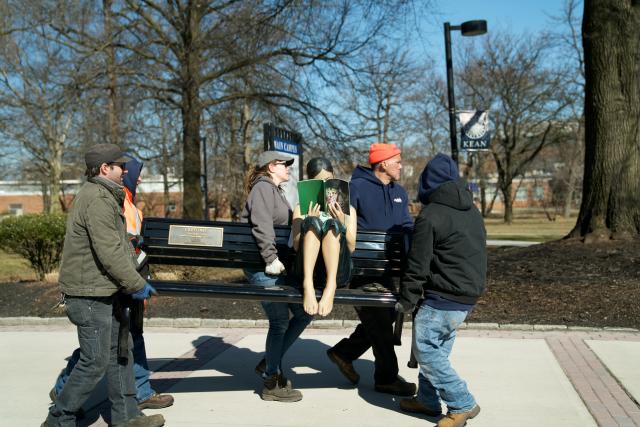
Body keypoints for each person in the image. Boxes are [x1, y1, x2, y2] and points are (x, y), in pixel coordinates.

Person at [42, 144, 164, 427]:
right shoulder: (97, 198)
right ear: (104, 169)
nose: (126, 171)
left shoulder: (106, 196)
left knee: (120, 354)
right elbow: (108, 251)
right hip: (89, 294)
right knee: (94, 361)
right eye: (120, 166)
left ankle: (127, 416)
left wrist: (131, 280)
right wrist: (135, 283)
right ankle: (58, 419)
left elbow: (119, 247)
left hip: (105, 291)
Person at [396, 153, 486, 427]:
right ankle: (427, 399)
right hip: (466, 297)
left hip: (442, 298)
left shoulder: (430, 216)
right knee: (438, 351)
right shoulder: (472, 211)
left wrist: (407, 300)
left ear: (428, 182)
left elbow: (418, 264)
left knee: (426, 350)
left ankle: (462, 403)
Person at [326, 143, 416, 396]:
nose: (401, 165)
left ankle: (343, 353)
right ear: (383, 163)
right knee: (379, 318)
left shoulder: (399, 192)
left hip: (389, 269)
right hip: (362, 269)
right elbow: (339, 225)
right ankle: (386, 378)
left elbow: (407, 223)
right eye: (397, 161)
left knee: (386, 317)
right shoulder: (355, 188)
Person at [241, 150, 313, 402]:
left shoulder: (274, 190)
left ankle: (269, 363)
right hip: (263, 266)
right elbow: (261, 224)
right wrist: (270, 258)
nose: (289, 168)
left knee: (306, 312)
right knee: (280, 321)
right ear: (271, 167)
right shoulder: (262, 188)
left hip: (275, 265)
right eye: (285, 164)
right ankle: (271, 380)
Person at [290, 157, 357, 317]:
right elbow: (296, 246)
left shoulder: (349, 210)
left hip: (337, 272)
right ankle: (308, 286)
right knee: (313, 222)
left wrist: (342, 224)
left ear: (333, 177)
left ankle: (330, 286)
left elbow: (351, 247)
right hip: (309, 272)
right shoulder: (300, 209)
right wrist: (306, 222)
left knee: (332, 225)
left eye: (327, 180)